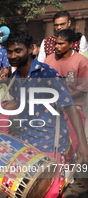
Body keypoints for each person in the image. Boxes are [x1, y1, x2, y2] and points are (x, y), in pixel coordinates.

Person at [0, 30, 88, 198]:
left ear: (31, 50)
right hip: (26, 137)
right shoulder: (15, 75)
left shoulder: (47, 74)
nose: (13, 56)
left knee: (52, 189)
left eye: (17, 51)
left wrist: (83, 145)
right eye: (9, 52)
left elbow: (70, 107)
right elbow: (19, 101)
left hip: (51, 140)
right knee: (13, 177)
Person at [45, 29, 88, 162]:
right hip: (51, 108)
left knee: (72, 145)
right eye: (55, 43)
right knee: (52, 145)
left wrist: (62, 99)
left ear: (71, 44)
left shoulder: (81, 61)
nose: (56, 47)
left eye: (61, 44)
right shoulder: (49, 59)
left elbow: (83, 88)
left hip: (74, 108)